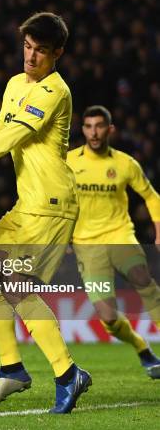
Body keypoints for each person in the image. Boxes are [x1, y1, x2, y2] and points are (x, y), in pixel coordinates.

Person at [0, 12, 91, 413]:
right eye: (27, 46)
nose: (31, 56)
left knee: (17, 283)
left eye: (41, 50)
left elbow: (10, 139)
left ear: (58, 54)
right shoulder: (15, 84)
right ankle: (11, 368)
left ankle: (68, 373)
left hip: (52, 204)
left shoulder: (54, 91)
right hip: (26, 204)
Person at [67, 105, 160, 379]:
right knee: (108, 317)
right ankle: (142, 347)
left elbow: (152, 196)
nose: (93, 132)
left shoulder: (125, 163)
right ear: (82, 129)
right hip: (87, 245)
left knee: (141, 278)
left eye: (99, 126)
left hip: (120, 236)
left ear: (110, 129)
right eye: (88, 126)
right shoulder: (70, 162)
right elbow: (58, 200)